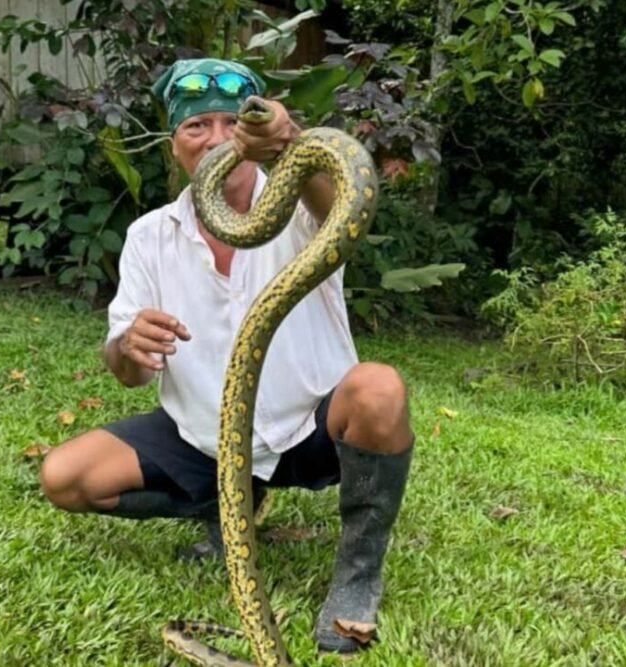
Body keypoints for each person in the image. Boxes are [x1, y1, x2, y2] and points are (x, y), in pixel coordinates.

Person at [38, 58, 414, 653]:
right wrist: (129, 345)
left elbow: (336, 200)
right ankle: (228, 505)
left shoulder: (302, 209)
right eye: (197, 127)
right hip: (204, 438)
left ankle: (358, 572)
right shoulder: (148, 236)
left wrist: (288, 145)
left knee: (379, 388)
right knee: (65, 477)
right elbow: (128, 374)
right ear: (175, 146)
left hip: (306, 430)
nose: (217, 140)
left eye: (230, 124)